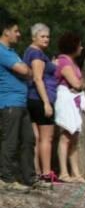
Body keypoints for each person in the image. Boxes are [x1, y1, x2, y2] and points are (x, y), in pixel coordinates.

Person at [0, 9, 36, 188]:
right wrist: (27, 71)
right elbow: (24, 71)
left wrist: (27, 71)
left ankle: (29, 178)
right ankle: (6, 179)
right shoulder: (1, 51)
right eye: (16, 31)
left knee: (28, 140)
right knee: (11, 141)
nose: (19, 34)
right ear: (6, 31)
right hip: (10, 103)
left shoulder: (12, 52)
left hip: (21, 103)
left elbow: (26, 71)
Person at [24, 23, 58, 183]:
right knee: (46, 138)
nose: (46, 39)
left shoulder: (31, 52)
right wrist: (46, 103)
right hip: (39, 99)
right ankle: (46, 172)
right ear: (34, 37)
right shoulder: (36, 54)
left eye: (47, 36)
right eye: (42, 36)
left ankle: (36, 171)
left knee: (35, 137)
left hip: (31, 98)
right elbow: (37, 78)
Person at [53, 32, 85, 182]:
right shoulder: (64, 62)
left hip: (75, 102)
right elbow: (77, 84)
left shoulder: (72, 62)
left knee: (75, 137)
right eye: (80, 45)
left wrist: (80, 85)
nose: (82, 47)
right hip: (66, 101)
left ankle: (76, 173)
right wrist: (81, 85)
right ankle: (64, 172)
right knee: (66, 135)